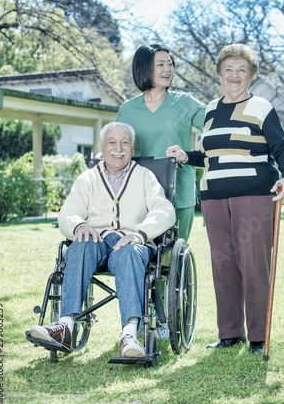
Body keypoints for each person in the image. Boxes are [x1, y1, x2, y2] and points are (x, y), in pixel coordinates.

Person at [166, 43, 284, 354]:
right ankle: (229, 334)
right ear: (219, 74)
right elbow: (213, 154)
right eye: (229, 70)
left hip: (253, 194)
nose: (234, 75)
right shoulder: (211, 110)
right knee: (223, 264)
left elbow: (283, 149)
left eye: (241, 70)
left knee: (253, 263)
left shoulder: (261, 107)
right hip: (213, 197)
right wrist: (188, 155)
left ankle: (258, 337)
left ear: (250, 75)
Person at [29, 122, 175, 358]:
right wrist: (80, 225)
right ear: (101, 147)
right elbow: (67, 214)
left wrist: (140, 234)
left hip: (130, 244)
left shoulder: (145, 176)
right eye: (112, 142)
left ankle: (129, 335)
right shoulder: (88, 179)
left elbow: (165, 211)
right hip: (95, 244)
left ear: (133, 146)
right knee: (80, 243)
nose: (119, 148)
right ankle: (65, 326)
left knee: (129, 251)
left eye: (125, 142)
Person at [116, 43, 206, 242]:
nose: (168, 69)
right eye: (161, 65)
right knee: (143, 252)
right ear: (144, 68)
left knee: (174, 253)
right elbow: (116, 147)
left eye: (170, 64)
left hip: (180, 192)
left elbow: (216, 125)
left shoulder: (185, 102)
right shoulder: (128, 109)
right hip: (141, 194)